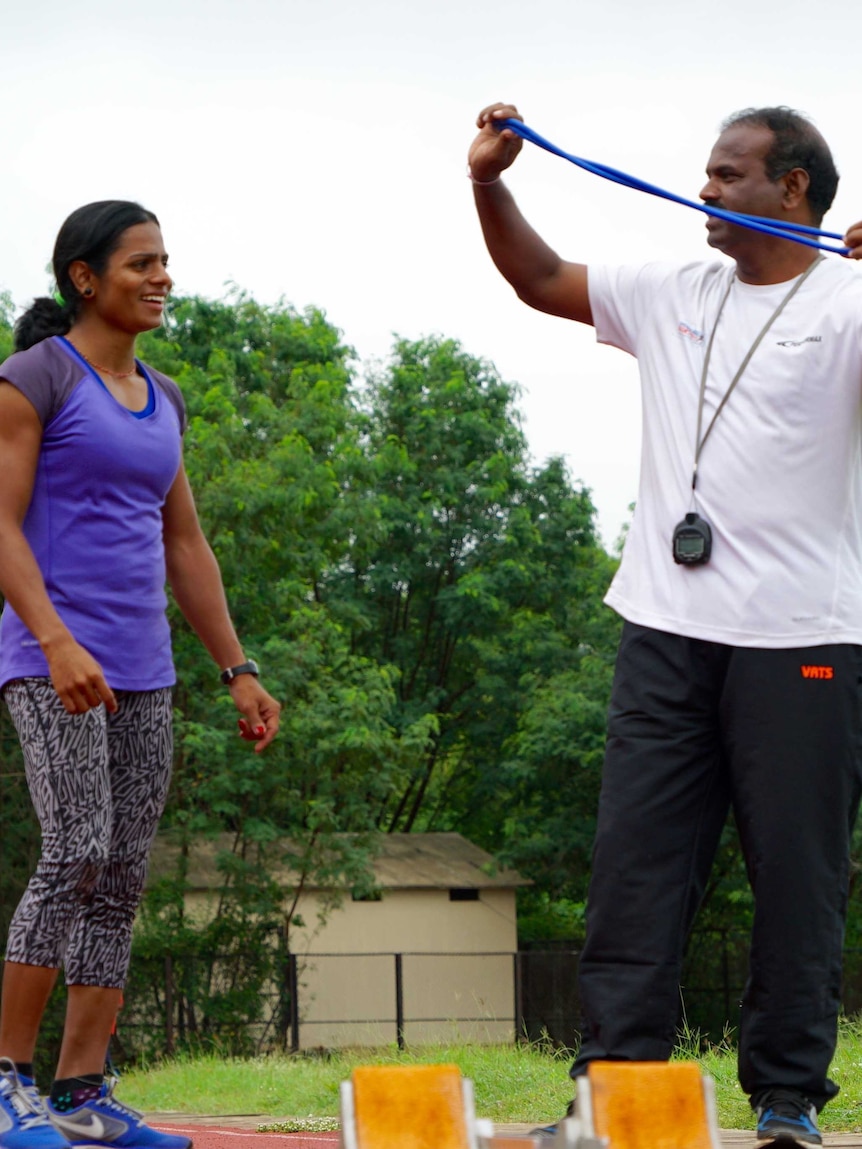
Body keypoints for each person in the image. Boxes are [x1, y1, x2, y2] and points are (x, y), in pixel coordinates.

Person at [469, 103, 862, 1146]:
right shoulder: (669, 289)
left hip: (803, 640)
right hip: (663, 628)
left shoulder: (851, 300)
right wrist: (488, 184)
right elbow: (538, 279)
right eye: (704, 172)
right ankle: (615, 1098)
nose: (705, 189)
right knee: (633, 871)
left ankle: (784, 1102)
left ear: (794, 189)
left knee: (797, 876)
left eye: (728, 174)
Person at [0, 200, 282, 1149]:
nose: (162, 277)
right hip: (53, 661)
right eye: (140, 263)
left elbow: (184, 540)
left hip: (144, 670)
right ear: (85, 276)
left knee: (120, 875)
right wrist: (53, 639)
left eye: (166, 262)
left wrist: (236, 666)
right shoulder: (34, 377)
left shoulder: (164, 397)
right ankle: (7, 1084)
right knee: (75, 850)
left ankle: (83, 1088)